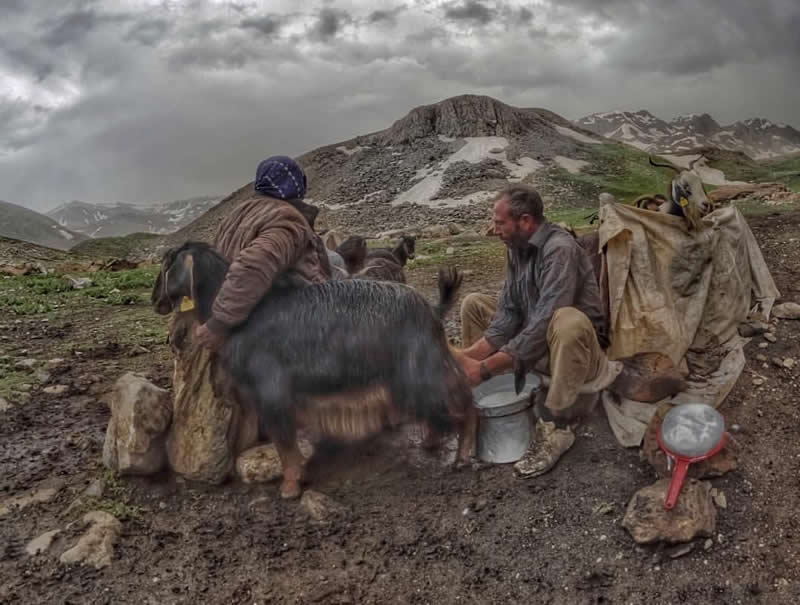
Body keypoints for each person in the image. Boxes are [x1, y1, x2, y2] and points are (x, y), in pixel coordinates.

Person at [458, 184, 623, 478]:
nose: (494, 230)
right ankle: (478, 393)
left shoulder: (559, 249)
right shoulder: (516, 250)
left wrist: (485, 367)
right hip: (539, 344)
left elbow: (547, 318)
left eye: (499, 223)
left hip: (578, 355)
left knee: (566, 319)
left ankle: (559, 425)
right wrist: (469, 356)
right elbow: (508, 312)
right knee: (474, 304)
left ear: (524, 221)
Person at [194, 155, 332, 350]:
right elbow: (254, 264)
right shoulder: (285, 217)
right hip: (290, 329)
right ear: (294, 183)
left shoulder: (238, 213)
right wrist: (219, 323)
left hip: (246, 325)